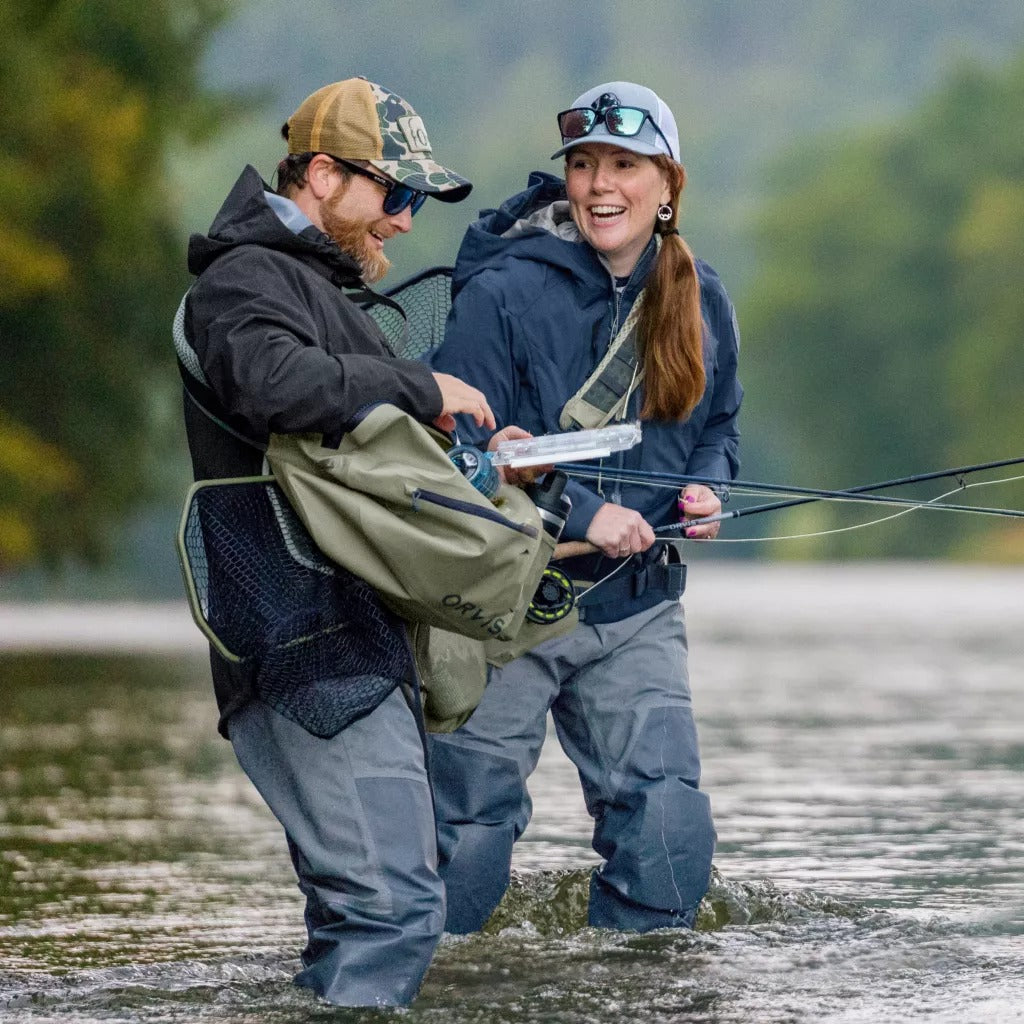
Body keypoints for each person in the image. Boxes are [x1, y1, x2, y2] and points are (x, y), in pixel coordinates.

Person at [180, 77, 495, 1006]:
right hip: (303, 647)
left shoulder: (316, 288)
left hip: (345, 642)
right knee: (394, 910)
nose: (404, 220)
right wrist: (426, 391)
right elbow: (277, 386)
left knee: (353, 915)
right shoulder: (243, 280)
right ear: (322, 175)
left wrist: (478, 453)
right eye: (394, 194)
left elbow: (357, 437)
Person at [428, 81, 743, 933]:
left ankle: (641, 992)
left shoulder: (701, 296)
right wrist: (577, 515)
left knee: (669, 835)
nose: (602, 184)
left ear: (668, 185)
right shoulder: (502, 294)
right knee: (465, 842)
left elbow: (719, 425)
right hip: (503, 609)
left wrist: (707, 484)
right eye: (584, 164)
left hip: (636, 609)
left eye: (625, 165)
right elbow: (456, 456)